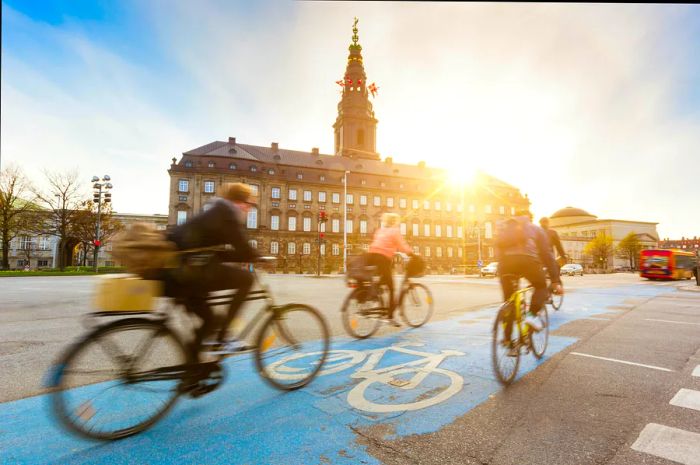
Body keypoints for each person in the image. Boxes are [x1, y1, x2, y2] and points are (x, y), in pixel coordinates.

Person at [165, 182, 260, 359]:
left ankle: (192, 375)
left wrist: (245, 255)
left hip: (179, 271)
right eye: (248, 204)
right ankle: (223, 338)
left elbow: (220, 254)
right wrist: (257, 256)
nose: (248, 209)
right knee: (246, 279)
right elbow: (243, 248)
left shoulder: (216, 211)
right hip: (187, 272)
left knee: (209, 322)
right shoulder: (226, 214)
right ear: (239, 201)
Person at [496, 211, 563, 333]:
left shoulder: (504, 227)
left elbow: (498, 248)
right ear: (529, 217)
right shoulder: (535, 229)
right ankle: (532, 315)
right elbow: (546, 255)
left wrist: (501, 267)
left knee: (509, 301)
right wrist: (554, 280)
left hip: (505, 264)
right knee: (541, 286)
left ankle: (509, 343)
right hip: (527, 261)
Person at [366, 212, 413, 326]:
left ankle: (373, 294)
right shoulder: (395, 231)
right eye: (397, 222)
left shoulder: (380, 230)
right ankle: (390, 317)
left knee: (383, 280)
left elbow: (376, 243)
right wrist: (412, 253)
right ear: (395, 222)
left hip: (371, 256)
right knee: (391, 288)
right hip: (383, 258)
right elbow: (402, 246)